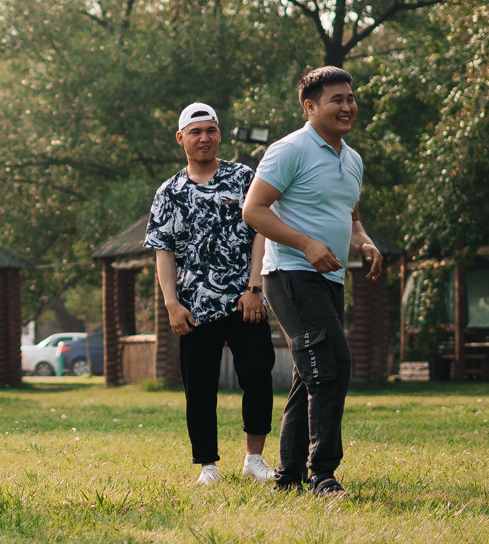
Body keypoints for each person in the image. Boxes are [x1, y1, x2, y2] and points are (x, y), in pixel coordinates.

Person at [243, 66, 382, 497]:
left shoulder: (352, 158)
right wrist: (306, 244)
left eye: (351, 99)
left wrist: (364, 242)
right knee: (333, 366)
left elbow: (350, 217)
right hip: (289, 273)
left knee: (310, 372)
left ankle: (287, 479)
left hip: (329, 277)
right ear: (310, 106)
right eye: (336, 99)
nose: (347, 106)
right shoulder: (290, 150)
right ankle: (322, 474)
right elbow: (254, 210)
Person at [148, 103, 275, 487]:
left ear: (220, 135)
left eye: (211, 130)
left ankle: (255, 459)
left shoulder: (243, 178)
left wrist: (256, 287)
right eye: (196, 131)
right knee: (199, 386)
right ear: (181, 138)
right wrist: (172, 303)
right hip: (194, 306)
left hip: (244, 302)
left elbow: (261, 232)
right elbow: (163, 251)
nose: (204, 138)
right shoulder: (169, 192)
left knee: (257, 375)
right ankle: (208, 467)